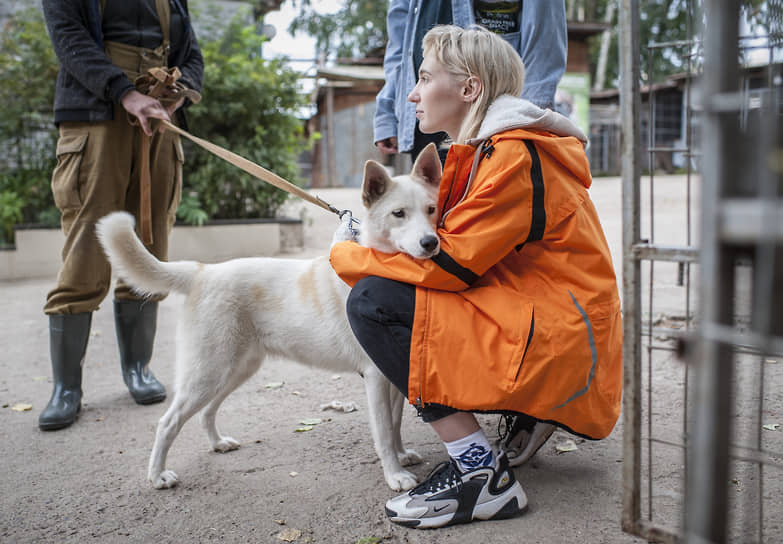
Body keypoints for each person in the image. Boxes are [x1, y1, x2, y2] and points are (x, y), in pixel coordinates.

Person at [330, 25, 622, 528]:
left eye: (423, 78)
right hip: (549, 319)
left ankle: (480, 474)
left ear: (468, 90)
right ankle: (528, 413)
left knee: (374, 300)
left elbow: (452, 264)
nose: (413, 93)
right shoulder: (491, 148)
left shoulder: (512, 154)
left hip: (560, 337)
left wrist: (346, 255)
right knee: (395, 289)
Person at [38, 0, 204, 431]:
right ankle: (66, 388)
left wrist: (178, 93)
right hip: (95, 117)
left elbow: (190, 52)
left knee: (150, 247)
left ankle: (137, 369)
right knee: (86, 253)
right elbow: (69, 38)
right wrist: (125, 93)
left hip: (160, 121)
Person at [374, 0, 567, 163]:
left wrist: (530, 120)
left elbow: (545, 30)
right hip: (427, 119)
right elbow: (399, 38)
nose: (411, 96)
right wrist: (388, 110)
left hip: (495, 111)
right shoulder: (419, 99)